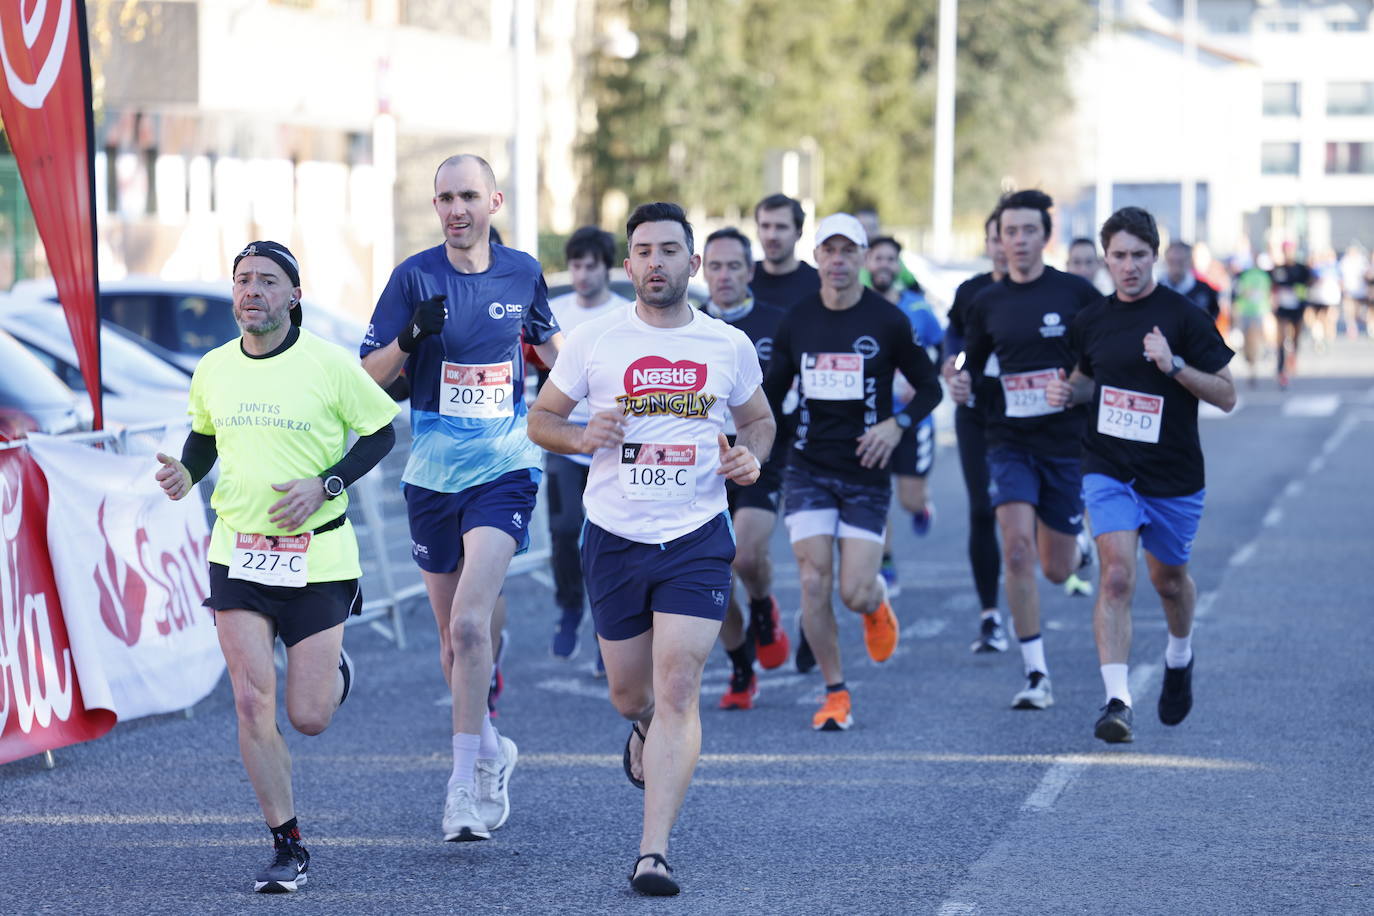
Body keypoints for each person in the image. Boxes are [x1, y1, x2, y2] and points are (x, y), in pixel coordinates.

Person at [527, 202, 775, 895]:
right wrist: (581, 437)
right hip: (614, 536)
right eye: (644, 250)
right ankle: (642, 730)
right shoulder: (594, 341)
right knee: (629, 693)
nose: (657, 261)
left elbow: (759, 421)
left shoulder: (726, 345)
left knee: (677, 687)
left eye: (671, 250)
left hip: (696, 535)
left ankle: (653, 851)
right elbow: (541, 420)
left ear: (692, 264)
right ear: (627, 264)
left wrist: (750, 460)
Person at [155, 241, 399, 893]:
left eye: (267, 281)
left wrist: (328, 483)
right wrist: (185, 473)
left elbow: (380, 432)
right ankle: (287, 844)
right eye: (242, 280)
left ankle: (335, 666)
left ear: (294, 295)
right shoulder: (213, 367)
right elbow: (204, 438)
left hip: (318, 553)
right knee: (249, 699)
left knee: (309, 715)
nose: (251, 291)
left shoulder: (327, 365)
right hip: (238, 550)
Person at [360, 154, 562, 842]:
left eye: (468, 195)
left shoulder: (522, 272)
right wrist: (411, 336)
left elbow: (555, 351)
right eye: (444, 197)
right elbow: (368, 378)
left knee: (473, 626)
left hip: (505, 470)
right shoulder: (413, 276)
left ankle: (460, 788)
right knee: (451, 643)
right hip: (431, 477)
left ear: (494, 201)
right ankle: (492, 748)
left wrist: (612, 400)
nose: (456, 209)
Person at [1046, 206, 1235, 742]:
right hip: (1107, 466)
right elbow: (1086, 380)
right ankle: (1117, 701)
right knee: (1117, 575)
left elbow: (1226, 394)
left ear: (1155, 254)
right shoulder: (1091, 320)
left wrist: (1174, 365)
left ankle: (1180, 656)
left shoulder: (1184, 317)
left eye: (1139, 255)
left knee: (1169, 582)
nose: (1128, 266)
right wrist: (1069, 392)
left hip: (1173, 473)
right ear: (1106, 259)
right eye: (1118, 256)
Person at [763, 213, 942, 731]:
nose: (838, 261)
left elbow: (929, 388)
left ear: (863, 258)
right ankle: (835, 692)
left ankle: (876, 604)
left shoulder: (887, 320)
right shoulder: (797, 319)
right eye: (829, 251)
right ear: (816, 257)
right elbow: (771, 394)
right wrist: (747, 441)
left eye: (849, 252)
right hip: (808, 469)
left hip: (865, 472)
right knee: (814, 580)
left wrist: (896, 425)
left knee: (853, 591)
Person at [949, 189, 1101, 710]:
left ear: (1045, 236)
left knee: (1056, 568)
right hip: (1007, 439)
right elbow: (972, 358)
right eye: (1008, 232)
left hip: (1063, 444)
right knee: (1016, 549)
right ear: (999, 239)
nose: (1017, 241)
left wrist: (1076, 385)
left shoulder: (1076, 294)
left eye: (1027, 231)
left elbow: (1100, 359)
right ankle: (1037, 673)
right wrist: (962, 381)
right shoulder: (987, 302)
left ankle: (1078, 549)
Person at [697, 227, 792, 710]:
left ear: (750, 272)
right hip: (700, 465)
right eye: (715, 266)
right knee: (712, 572)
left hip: (760, 454)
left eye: (734, 266)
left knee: (746, 557)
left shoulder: (779, 322)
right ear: (700, 270)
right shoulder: (687, 327)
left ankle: (763, 607)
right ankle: (740, 665)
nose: (724, 275)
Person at [543, 227, 632, 664]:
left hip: (612, 444)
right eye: (575, 265)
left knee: (608, 536)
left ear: (606, 267)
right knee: (563, 531)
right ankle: (568, 609)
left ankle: (608, 630)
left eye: (590, 265)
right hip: (565, 441)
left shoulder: (625, 314)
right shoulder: (553, 313)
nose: (581, 274)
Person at [942, 212, 1009, 653]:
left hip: (1035, 419)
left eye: (1012, 235)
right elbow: (954, 337)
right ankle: (990, 615)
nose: (1004, 245)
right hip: (978, 412)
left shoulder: (1059, 290)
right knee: (983, 509)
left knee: (1033, 512)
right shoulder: (971, 290)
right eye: (995, 238)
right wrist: (953, 367)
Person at [866, 236, 942, 599]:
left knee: (909, 499)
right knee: (878, 497)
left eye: (890, 259)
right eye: (877, 257)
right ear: (867, 262)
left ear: (898, 266)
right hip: (873, 419)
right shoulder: (858, 308)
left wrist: (927, 379)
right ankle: (887, 565)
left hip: (913, 420)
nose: (883, 264)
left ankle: (922, 508)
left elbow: (942, 350)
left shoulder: (919, 309)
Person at [752, 193, 821, 310]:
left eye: (781, 227)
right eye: (765, 226)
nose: (772, 236)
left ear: (799, 233)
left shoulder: (819, 285)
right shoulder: (741, 281)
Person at [1268, 241, 1311, 389]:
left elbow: (1309, 282)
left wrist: (1300, 291)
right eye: (1285, 250)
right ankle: (1281, 369)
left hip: (1297, 307)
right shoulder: (1278, 269)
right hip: (1282, 309)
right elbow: (1271, 285)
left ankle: (1293, 357)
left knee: (1295, 337)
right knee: (1281, 338)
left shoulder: (1301, 268)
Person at [1231, 256, 1272, 387]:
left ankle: (1254, 367)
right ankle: (1252, 364)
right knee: (1248, 343)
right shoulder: (1245, 275)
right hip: (1248, 311)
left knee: (1254, 341)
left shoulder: (1262, 276)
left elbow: (1267, 293)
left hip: (1256, 312)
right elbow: (1239, 294)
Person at [1160, 241, 1221, 321]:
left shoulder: (1205, 290)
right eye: (1172, 261)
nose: (1176, 268)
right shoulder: (1156, 289)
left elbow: (1212, 316)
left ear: (1189, 261)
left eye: (1180, 262)